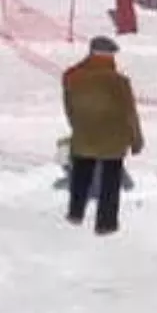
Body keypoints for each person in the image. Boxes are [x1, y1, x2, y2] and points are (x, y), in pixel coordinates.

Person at [62, 36, 143, 236]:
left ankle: (75, 213)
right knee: (111, 181)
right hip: (114, 140)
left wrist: (77, 126)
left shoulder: (73, 77)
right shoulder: (120, 82)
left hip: (84, 135)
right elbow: (130, 113)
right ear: (111, 56)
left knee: (81, 174)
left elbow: (69, 108)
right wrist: (136, 140)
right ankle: (106, 223)